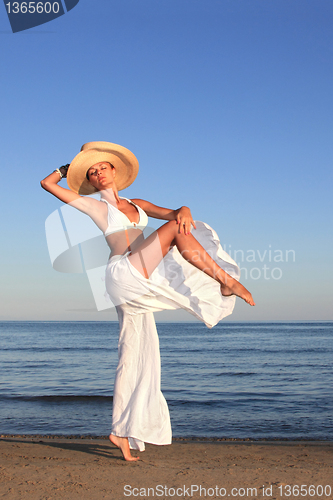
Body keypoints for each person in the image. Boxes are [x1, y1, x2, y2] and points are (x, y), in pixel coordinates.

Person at [41, 141, 255, 461]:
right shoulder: (94, 206)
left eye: (103, 168)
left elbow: (175, 215)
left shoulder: (138, 203)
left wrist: (183, 208)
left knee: (136, 352)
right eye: (92, 171)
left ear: (115, 171)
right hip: (121, 272)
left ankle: (122, 432)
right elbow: (46, 184)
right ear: (90, 180)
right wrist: (64, 169)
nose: (99, 173)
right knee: (171, 231)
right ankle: (226, 281)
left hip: (138, 275)